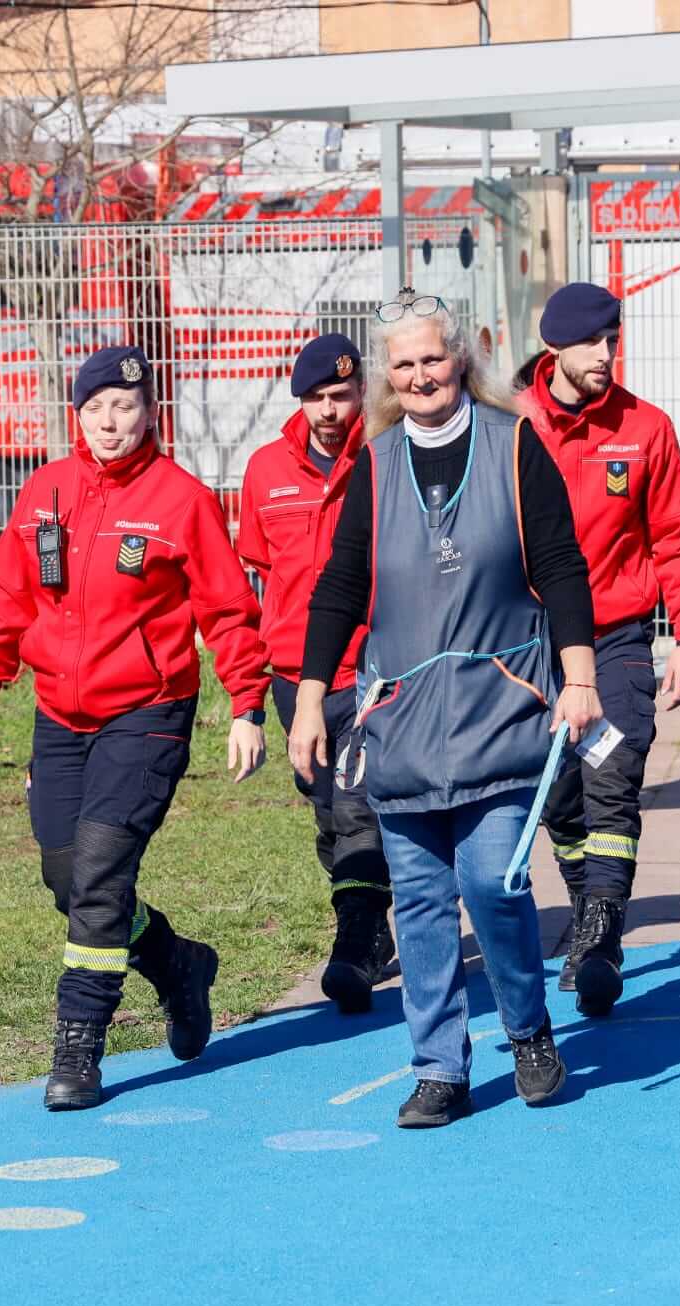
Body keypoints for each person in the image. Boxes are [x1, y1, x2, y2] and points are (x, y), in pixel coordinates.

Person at [287, 289, 601, 1129]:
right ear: (388, 376)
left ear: (460, 357)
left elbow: (564, 568)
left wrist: (580, 677)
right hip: (403, 718)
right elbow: (341, 588)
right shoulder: (376, 463)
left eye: (432, 357)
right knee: (420, 900)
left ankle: (529, 1028)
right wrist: (312, 699)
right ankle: (438, 1067)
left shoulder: (514, 445)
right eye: (404, 363)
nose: (420, 375)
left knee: (491, 879)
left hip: (504, 704)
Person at [0, 344, 272, 1112]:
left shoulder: (182, 499)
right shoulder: (46, 490)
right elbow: (7, 594)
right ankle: (175, 963)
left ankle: (78, 1043)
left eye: (126, 407)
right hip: (60, 715)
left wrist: (246, 705)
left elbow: (228, 610)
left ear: (149, 414)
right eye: (97, 406)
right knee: (64, 876)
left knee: (99, 873)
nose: (111, 420)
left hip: (148, 714)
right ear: (78, 414)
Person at [516, 282, 680, 1017]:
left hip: (617, 636)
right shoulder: (511, 424)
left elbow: (677, 535)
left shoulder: (645, 428)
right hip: (529, 646)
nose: (606, 354)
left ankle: (599, 935)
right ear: (555, 346)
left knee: (614, 779)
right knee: (557, 798)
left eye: (613, 340)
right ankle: (583, 895)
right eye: (593, 342)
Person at [237, 334, 396, 1013]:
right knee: (329, 816)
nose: (329, 410)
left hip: (372, 667)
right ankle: (373, 927)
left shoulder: (387, 457)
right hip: (291, 675)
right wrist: (247, 696)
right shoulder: (264, 469)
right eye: (315, 398)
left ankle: (353, 948)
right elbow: (254, 574)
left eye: (340, 394)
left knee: (361, 810)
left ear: (362, 390)